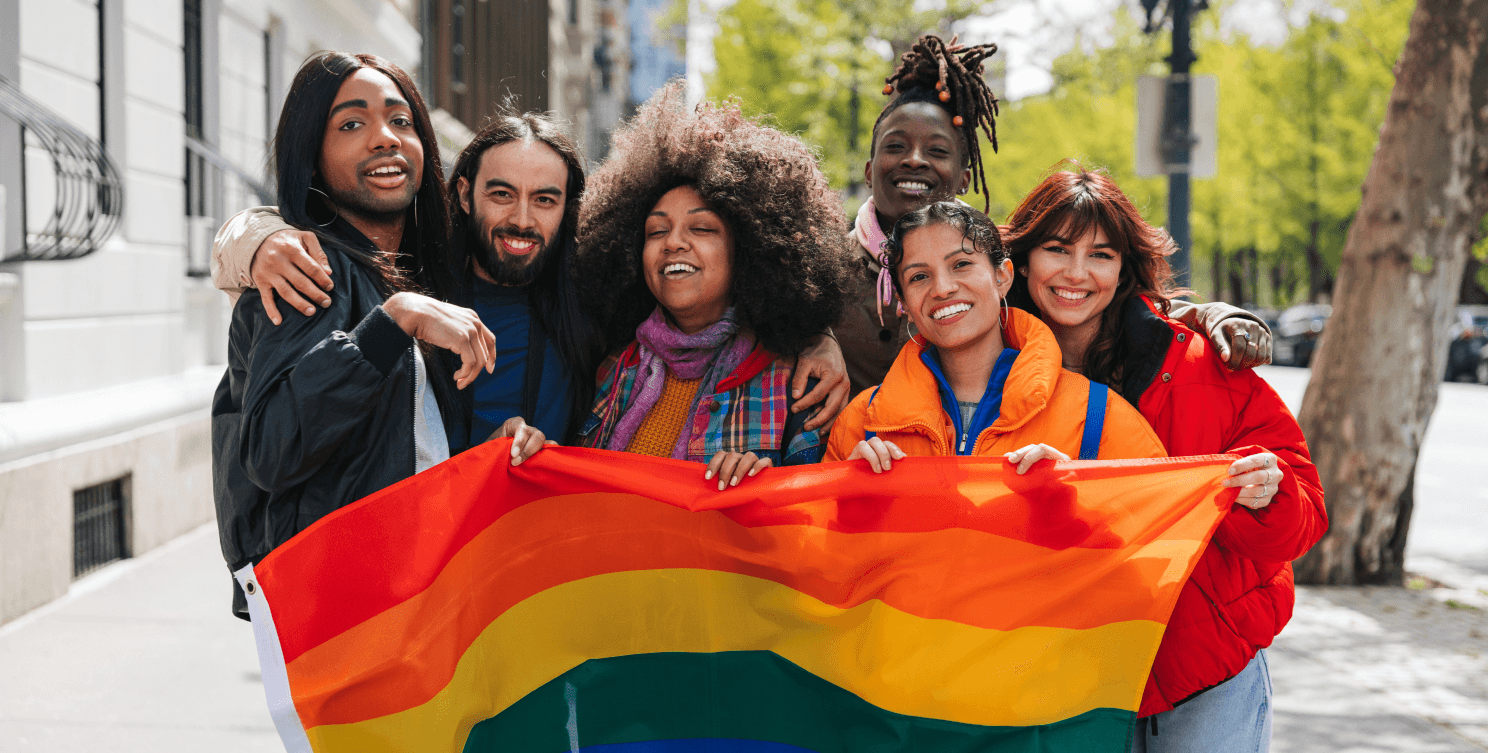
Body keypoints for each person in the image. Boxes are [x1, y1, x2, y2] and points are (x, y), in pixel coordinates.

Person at [1001, 167, 1328, 753]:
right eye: (1057, 249)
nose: (1076, 272)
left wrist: (1267, 497)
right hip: (1072, 677)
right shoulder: (987, 370)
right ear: (1022, 258)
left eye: (1101, 254)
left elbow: (1303, 518)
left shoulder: (1206, 363)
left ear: (1124, 270)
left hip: (1206, 664)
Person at [211, 116, 853, 444]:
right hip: (416, 583)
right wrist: (254, 237)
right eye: (501, 194)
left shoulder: (597, 298)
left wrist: (815, 334)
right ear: (463, 194)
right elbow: (338, 242)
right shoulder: (411, 278)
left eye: (545, 199)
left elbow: (705, 302)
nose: (522, 218)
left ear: (570, 208)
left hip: (540, 599)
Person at [211, 52, 497, 619]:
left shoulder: (425, 274)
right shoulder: (306, 269)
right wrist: (390, 323)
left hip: (423, 603)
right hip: (341, 615)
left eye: (400, 120)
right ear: (312, 160)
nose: (383, 138)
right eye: (351, 124)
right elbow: (273, 449)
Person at [839, 34, 1271, 399]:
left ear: (965, 176)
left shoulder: (993, 265)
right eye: (896, 146)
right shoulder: (822, 262)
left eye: (937, 151)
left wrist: (1210, 315)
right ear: (867, 168)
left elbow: (1102, 299)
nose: (914, 161)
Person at [565, 82, 851, 486]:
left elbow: (814, 523)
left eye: (701, 228)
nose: (674, 242)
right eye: (655, 231)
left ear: (750, 249)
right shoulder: (611, 369)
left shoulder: (797, 384)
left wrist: (761, 494)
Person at [825, 201, 1167, 471]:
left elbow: (1160, 543)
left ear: (1002, 277)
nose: (943, 288)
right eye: (918, 277)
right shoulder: (861, 423)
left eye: (961, 265)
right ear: (904, 303)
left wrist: (1082, 499)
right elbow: (819, 552)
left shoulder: (1100, 417)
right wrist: (846, 497)